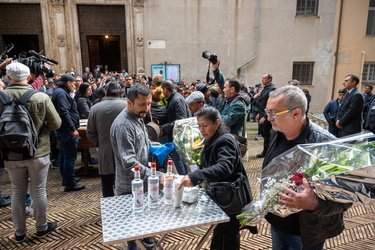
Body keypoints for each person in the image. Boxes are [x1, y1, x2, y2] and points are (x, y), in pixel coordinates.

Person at [263, 85, 352, 249]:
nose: (268, 118)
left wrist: (314, 204)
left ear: (296, 113)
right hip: (277, 224)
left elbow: (346, 198)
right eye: (267, 111)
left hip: (305, 234)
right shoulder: (277, 132)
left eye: (273, 113)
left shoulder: (326, 145)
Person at [2, 62, 62, 242]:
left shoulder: (0, 97)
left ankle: (19, 232)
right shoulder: (40, 97)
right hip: (38, 152)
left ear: (8, 78)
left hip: (10, 153)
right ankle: (41, 227)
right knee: (39, 190)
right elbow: (56, 124)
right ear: (29, 78)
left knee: (17, 192)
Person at [178, 106, 253, 250]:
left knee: (227, 237)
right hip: (222, 198)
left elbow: (224, 167)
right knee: (221, 234)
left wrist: (196, 176)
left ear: (217, 123)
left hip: (231, 199)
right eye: (199, 126)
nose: (201, 129)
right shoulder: (213, 139)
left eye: (205, 125)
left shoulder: (224, 141)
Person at [110, 83, 160, 250]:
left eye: (149, 103)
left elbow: (139, 143)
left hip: (142, 185)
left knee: (142, 229)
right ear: (129, 103)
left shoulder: (138, 117)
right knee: (134, 238)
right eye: (142, 104)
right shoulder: (124, 125)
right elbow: (129, 163)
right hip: (129, 189)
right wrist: (158, 176)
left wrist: (151, 144)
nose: (146, 108)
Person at [86, 82, 127, 197]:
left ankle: (109, 210)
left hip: (105, 151)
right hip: (124, 150)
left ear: (106, 92)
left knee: (107, 184)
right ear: (121, 92)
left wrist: (100, 143)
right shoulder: (127, 106)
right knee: (125, 183)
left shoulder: (95, 108)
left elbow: (90, 132)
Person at [52, 74, 85, 192]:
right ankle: (70, 183)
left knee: (64, 155)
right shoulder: (61, 93)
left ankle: (66, 178)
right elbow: (64, 112)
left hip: (63, 129)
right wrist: (73, 129)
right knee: (70, 157)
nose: (75, 86)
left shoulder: (61, 92)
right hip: (66, 130)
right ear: (67, 83)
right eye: (73, 83)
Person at [211, 60, 251, 136]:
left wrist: (210, 117)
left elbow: (226, 121)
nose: (223, 90)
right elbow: (222, 81)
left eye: (225, 88)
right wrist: (215, 68)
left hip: (233, 139)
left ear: (232, 89)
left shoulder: (238, 104)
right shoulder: (231, 99)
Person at [161, 80, 189, 174]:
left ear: (165, 89)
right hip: (177, 134)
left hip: (180, 136)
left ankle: (184, 182)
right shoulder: (173, 98)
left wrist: (164, 128)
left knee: (178, 161)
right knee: (180, 160)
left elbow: (181, 120)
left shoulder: (176, 99)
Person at [253, 74, 276, 157]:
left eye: (264, 78)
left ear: (270, 79)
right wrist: (259, 113)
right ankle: (268, 151)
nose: (262, 79)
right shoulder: (265, 88)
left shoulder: (272, 88)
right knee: (263, 132)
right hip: (262, 113)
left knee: (267, 134)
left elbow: (271, 104)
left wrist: (265, 116)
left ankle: (267, 152)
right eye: (262, 78)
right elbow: (262, 103)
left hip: (267, 115)